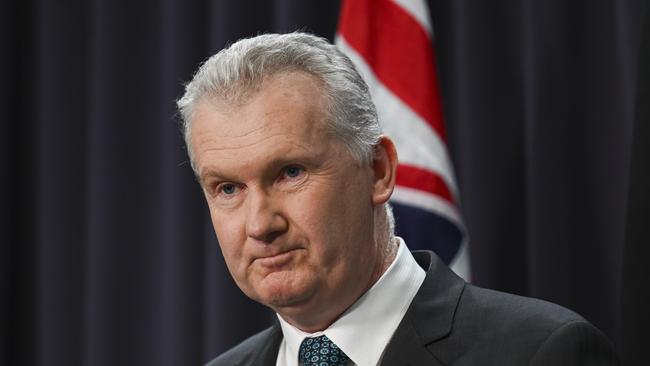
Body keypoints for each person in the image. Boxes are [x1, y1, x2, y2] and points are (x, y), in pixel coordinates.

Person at [177, 32, 618, 366]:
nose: (260, 224)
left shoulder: (543, 352)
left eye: (291, 173)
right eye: (228, 188)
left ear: (378, 171)